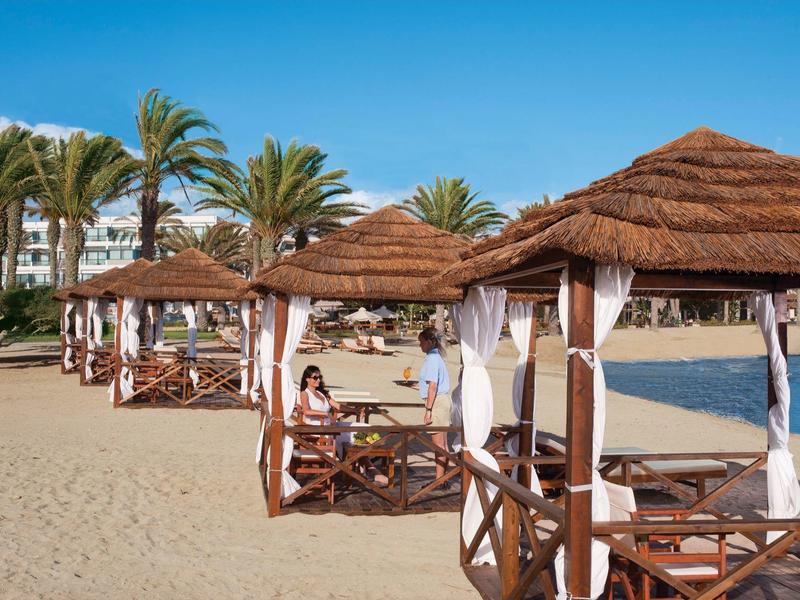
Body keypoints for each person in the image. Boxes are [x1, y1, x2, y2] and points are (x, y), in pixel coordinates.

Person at [297, 365, 387, 484]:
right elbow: (306, 410)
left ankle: (362, 464)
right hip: (320, 431)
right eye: (315, 377)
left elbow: (338, 406)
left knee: (366, 429)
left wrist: (353, 410)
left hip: (332, 426)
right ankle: (367, 468)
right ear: (307, 379)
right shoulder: (305, 393)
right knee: (354, 439)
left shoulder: (322, 393)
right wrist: (324, 414)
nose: (318, 380)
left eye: (320, 377)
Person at [416, 327, 451, 482]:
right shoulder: (437, 357)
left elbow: (433, 385)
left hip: (437, 403)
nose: (420, 345)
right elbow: (431, 384)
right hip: (442, 400)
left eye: (421, 342)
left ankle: (439, 480)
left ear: (429, 342)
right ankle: (443, 479)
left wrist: (428, 409)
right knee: (443, 444)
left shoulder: (431, 359)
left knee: (438, 445)